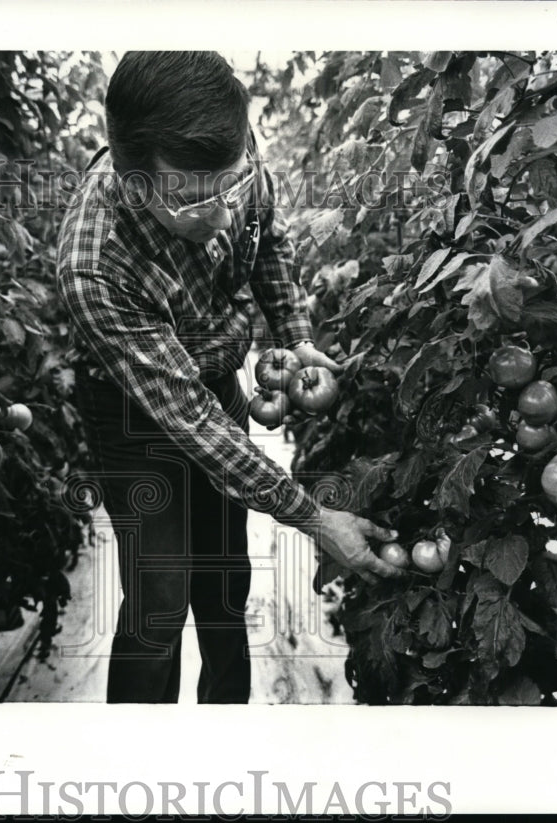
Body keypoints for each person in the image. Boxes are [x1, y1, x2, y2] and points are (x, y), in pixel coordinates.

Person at [56, 51, 402, 704]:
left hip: (213, 379)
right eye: (191, 201)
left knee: (223, 580)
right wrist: (313, 516)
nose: (221, 216)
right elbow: (187, 418)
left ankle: (224, 725)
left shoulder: (225, 156)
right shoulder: (95, 264)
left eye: (230, 184)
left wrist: (293, 333)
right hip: (131, 407)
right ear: (136, 188)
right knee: (159, 596)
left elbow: (267, 239)